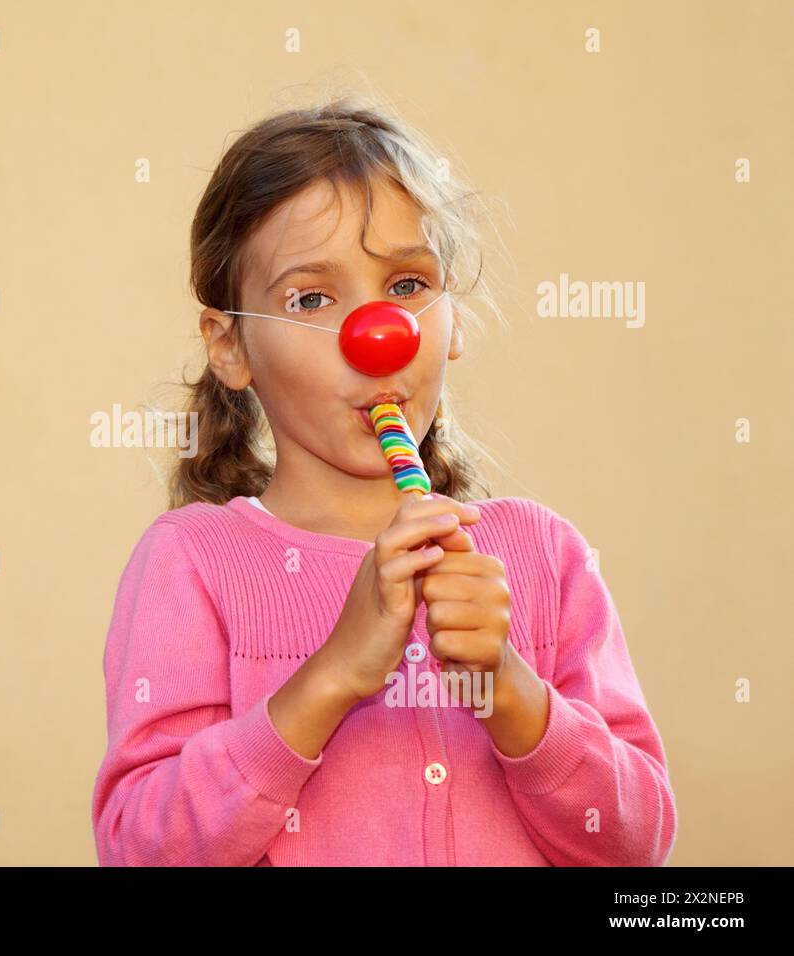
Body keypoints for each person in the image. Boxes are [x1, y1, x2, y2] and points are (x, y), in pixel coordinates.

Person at [89, 99, 677, 866]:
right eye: (311, 298)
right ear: (229, 345)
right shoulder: (191, 563)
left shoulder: (543, 554)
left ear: (453, 319)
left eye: (406, 285)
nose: (378, 336)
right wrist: (333, 674)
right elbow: (144, 849)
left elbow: (637, 847)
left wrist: (510, 691)